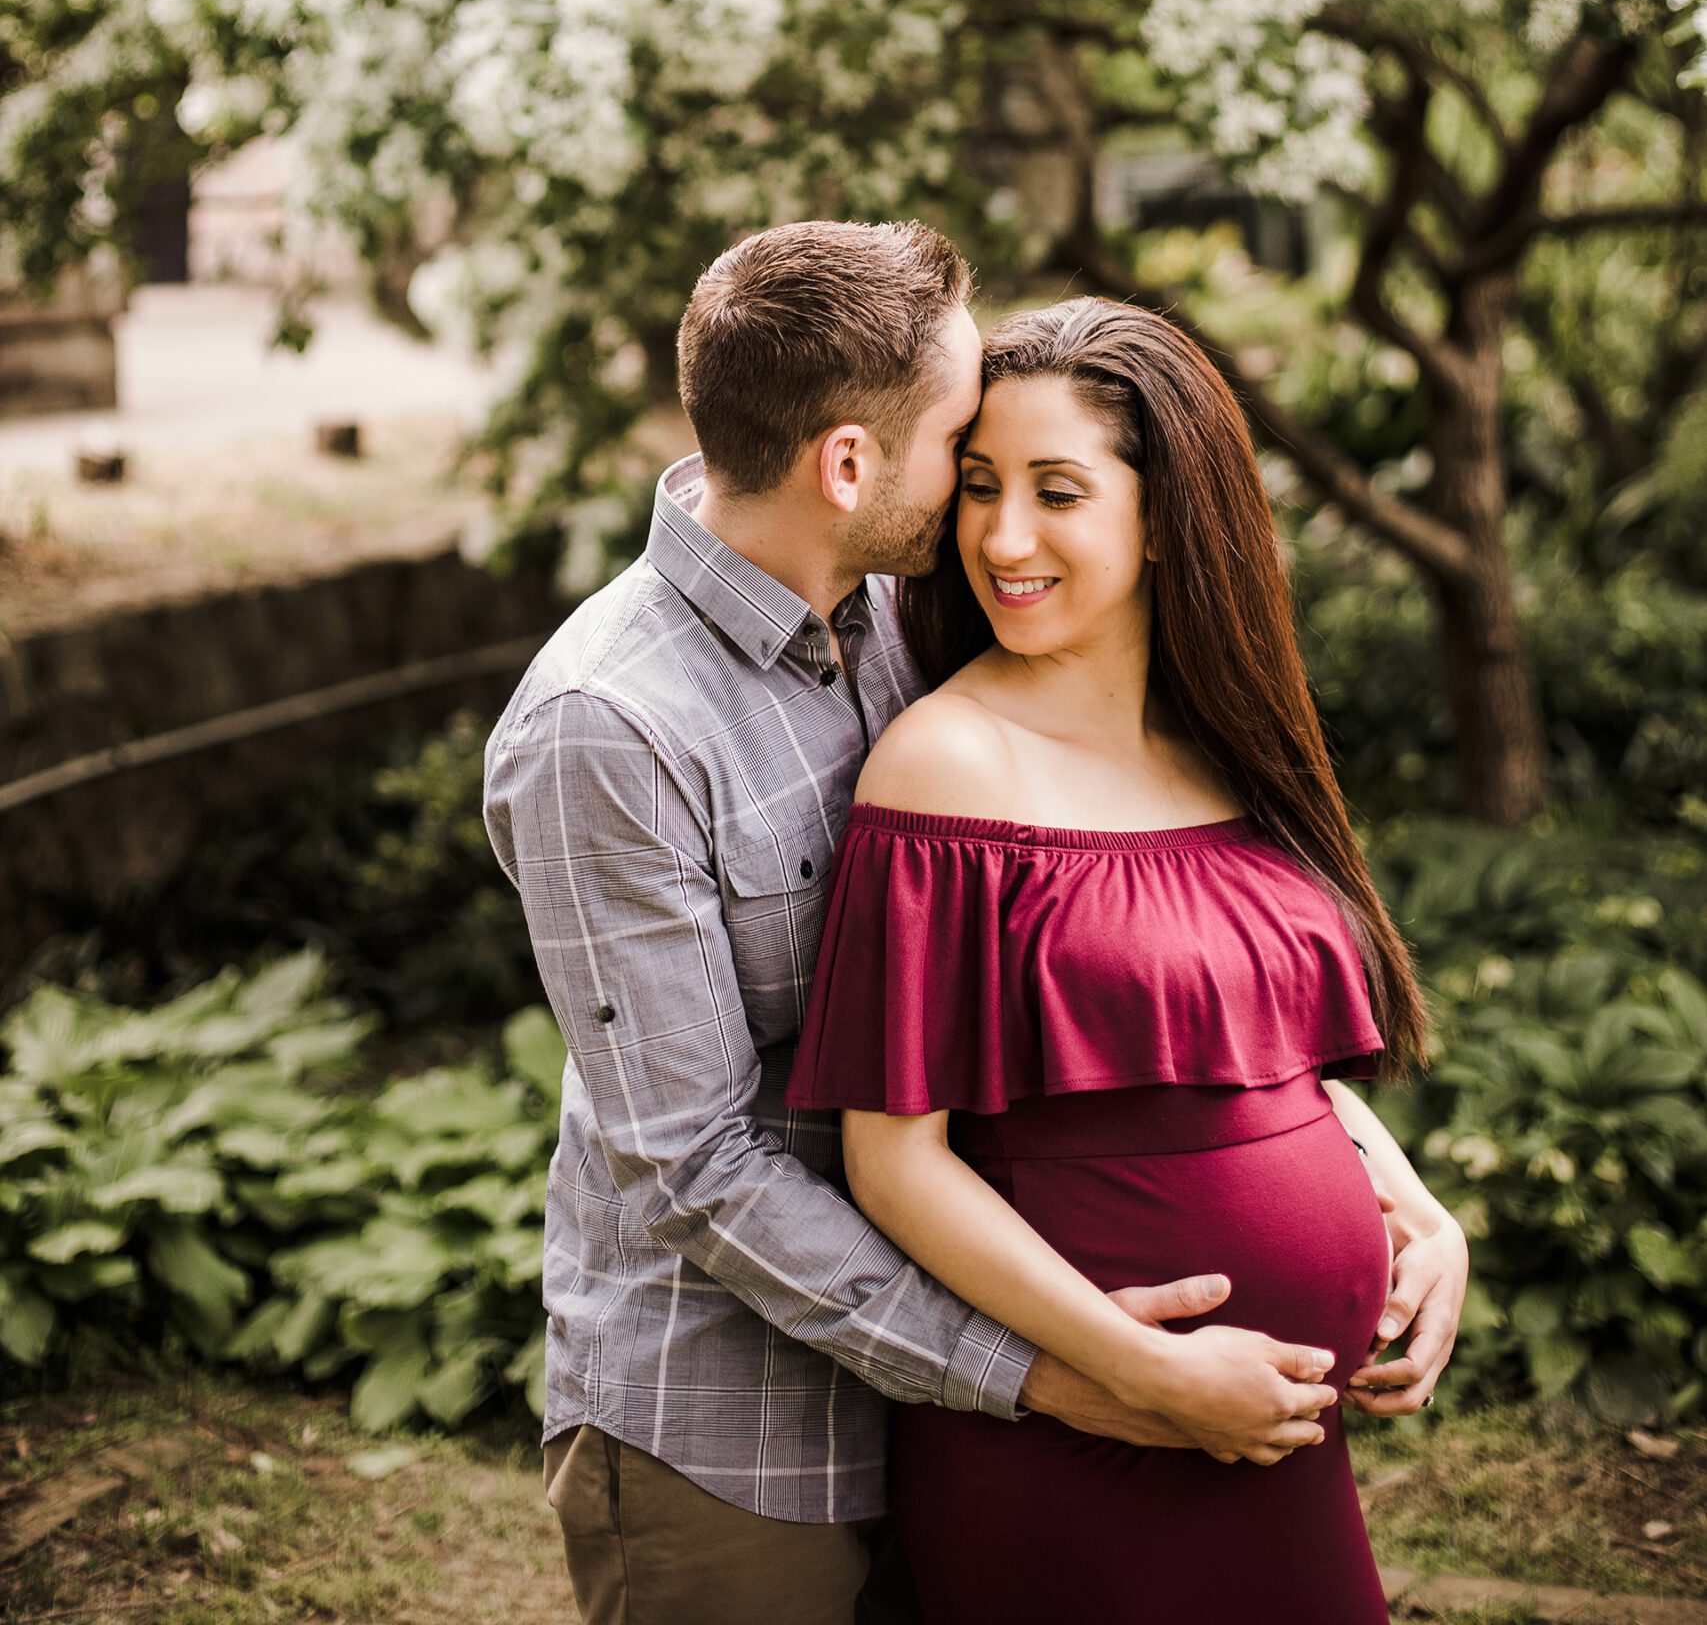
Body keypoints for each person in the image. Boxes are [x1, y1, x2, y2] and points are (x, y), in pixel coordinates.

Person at [485, 224, 1403, 1625]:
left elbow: (1134, 964)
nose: (995, 519)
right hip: (742, 1428)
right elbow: (691, 1162)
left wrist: (1377, 1184)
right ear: (851, 467)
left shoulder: (898, 629)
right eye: (965, 455)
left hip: (969, 1394)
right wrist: (1069, 1376)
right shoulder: (607, 729)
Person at [786, 296, 1470, 1624]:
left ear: (1167, 516)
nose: (1003, 537)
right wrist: (1138, 1372)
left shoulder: (1222, 751)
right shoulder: (949, 764)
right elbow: (896, 1160)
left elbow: (1270, 1068)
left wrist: (1420, 1213)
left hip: (1275, 1440)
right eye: (980, 487)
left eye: (1058, 491)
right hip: (1088, 1437)